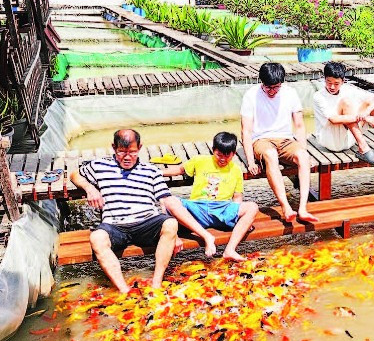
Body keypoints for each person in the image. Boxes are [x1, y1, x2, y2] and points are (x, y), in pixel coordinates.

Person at [70, 129, 217, 293]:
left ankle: (156, 283)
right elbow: (74, 175)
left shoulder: (151, 170)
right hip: (115, 225)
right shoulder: (100, 165)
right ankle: (124, 290)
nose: (127, 157)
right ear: (113, 147)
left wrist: (177, 234)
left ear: (139, 148)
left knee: (170, 223)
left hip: (147, 223)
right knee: (96, 237)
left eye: (132, 152)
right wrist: (89, 188)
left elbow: (167, 201)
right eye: (121, 152)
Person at [162, 132, 258, 262]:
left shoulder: (236, 170)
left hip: (222, 210)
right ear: (213, 150)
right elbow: (179, 170)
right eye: (219, 154)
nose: (223, 159)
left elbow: (237, 199)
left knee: (252, 207)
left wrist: (242, 220)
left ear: (234, 154)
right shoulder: (200, 160)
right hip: (197, 209)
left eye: (227, 155)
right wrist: (156, 172)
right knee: (169, 201)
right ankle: (206, 236)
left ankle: (230, 250)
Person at [241, 63, 318, 223]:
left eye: (276, 87)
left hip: (285, 139)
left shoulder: (290, 93)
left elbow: (299, 126)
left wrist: (303, 150)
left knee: (303, 156)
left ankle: (303, 207)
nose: (272, 91)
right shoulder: (251, 95)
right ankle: (285, 206)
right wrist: (250, 161)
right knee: (270, 154)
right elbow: (246, 131)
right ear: (261, 82)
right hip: (261, 140)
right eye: (268, 87)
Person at [313, 62, 374, 165]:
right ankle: (363, 147)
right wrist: (365, 118)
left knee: (371, 105)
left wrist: (366, 112)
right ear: (324, 79)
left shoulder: (348, 89)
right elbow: (334, 120)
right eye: (329, 82)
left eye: (336, 83)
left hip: (348, 140)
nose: (332, 87)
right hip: (332, 142)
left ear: (343, 81)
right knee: (346, 103)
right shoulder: (319, 96)